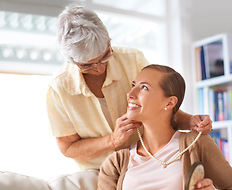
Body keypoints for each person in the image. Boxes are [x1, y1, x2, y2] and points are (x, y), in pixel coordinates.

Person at [46, 4, 212, 170]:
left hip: (146, 161)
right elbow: (68, 147)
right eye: (87, 65)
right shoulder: (59, 89)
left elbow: (160, 108)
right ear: (72, 61)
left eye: (105, 56)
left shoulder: (133, 59)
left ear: (109, 39)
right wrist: (112, 140)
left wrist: (190, 121)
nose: (100, 68)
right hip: (100, 171)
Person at [91, 64, 232, 190]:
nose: (130, 94)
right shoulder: (116, 163)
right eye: (133, 85)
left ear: (170, 102)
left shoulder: (196, 144)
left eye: (143, 87)